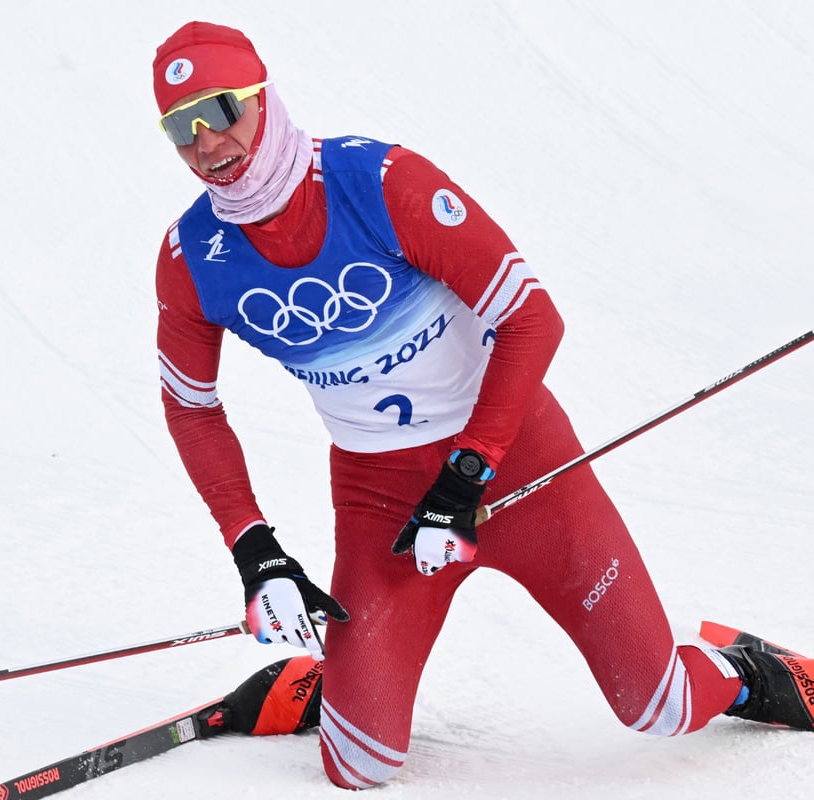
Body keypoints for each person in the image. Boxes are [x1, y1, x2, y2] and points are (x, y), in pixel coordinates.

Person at [150, 20, 812, 790]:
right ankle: (327, 681)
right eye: (179, 126)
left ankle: (745, 671)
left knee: (655, 704)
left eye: (221, 109)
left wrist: (467, 475)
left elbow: (531, 316)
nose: (206, 142)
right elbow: (192, 407)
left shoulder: (377, 182)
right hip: (381, 498)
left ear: (263, 98)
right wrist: (253, 550)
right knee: (358, 766)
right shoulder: (194, 256)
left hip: (518, 464)